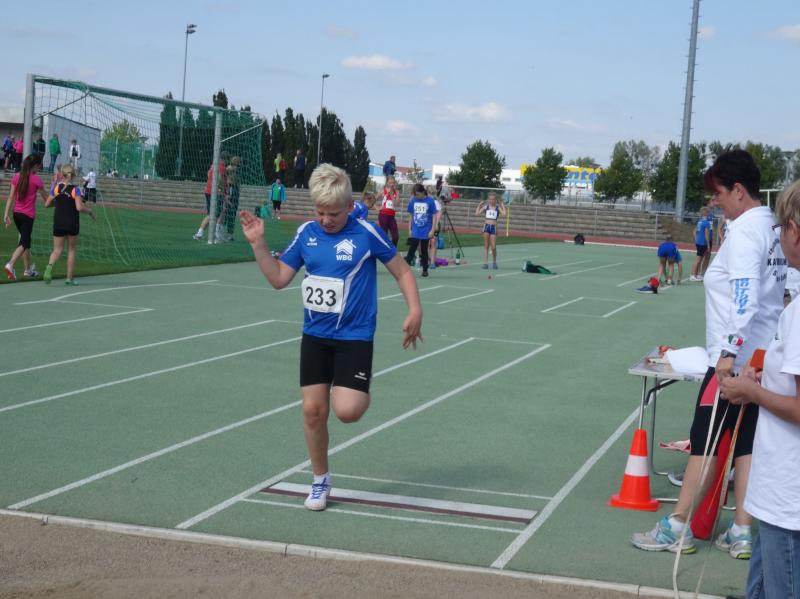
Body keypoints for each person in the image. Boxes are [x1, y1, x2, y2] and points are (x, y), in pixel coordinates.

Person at [238, 163, 423, 512]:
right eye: (320, 212)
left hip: (355, 336)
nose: (326, 220)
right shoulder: (306, 233)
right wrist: (259, 244)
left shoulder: (366, 233)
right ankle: (320, 479)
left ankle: (357, 383)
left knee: (347, 411)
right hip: (316, 336)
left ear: (350, 205)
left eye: (334, 214)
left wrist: (415, 310)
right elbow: (279, 279)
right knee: (312, 411)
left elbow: (402, 271)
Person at [631, 150, 787, 558]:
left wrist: (729, 354)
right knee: (747, 446)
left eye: (718, 193)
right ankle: (741, 531)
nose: (715, 201)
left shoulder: (746, 232)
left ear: (738, 190)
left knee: (705, 441)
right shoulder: (773, 227)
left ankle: (677, 526)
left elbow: (744, 299)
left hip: (734, 362)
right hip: (764, 359)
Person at [721, 179, 800, 598]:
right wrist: (764, 375)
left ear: (795, 232)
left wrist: (751, 392)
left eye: (782, 227)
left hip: (789, 498)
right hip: (780, 497)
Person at [43, 164, 96, 285]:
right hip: (72, 223)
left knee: (57, 250)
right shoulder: (75, 190)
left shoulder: (56, 188)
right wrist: (90, 212)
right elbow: (79, 207)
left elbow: (47, 204)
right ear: (73, 175)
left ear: (62, 174)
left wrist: (57, 203)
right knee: (71, 250)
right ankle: (69, 278)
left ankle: (49, 267)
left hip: (58, 222)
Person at [3, 154, 48, 280]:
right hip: (27, 216)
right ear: (35, 166)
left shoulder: (16, 177)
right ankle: (10, 264)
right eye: (39, 166)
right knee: (24, 242)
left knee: (26, 241)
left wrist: (6, 214)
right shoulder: (36, 180)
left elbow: (11, 197)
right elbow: (46, 199)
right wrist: (58, 201)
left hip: (16, 214)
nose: (39, 169)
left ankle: (27, 270)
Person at [404, 183, 438, 277]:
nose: (416, 196)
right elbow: (411, 215)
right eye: (415, 195)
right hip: (416, 228)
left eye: (418, 194)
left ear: (423, 192)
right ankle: (405, 267)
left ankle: (425, 269)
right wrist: (410, 229)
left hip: (426, 229)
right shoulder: (413, 200)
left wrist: (432, 230)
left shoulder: (430, 201)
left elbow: (434, 215)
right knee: (412, 247)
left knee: (424, 249)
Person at [193, 153, 229, 241]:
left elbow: (208, 174)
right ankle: (211, 234)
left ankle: (201, 233)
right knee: (214, 214)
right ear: (225, 159)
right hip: (215, 193)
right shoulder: (221, 167)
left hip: (209, 191)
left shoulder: (213, 165)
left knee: (214, 214)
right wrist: (221, 189)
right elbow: (220, 178)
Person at [475, 192, 507, 269]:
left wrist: (502, 205)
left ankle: (494, 262)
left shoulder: (497, 208)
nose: (491, 201)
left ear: (495, 200)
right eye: (490, 199)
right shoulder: (486, 207)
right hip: (486, 227)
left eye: (493, 199)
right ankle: (485, 263)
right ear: (488, 200)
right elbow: (477, 213)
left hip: (493, 228)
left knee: (493, 247)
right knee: (486, 246)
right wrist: (479, 205)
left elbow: (504, 214)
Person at [689, 206, 713, 281]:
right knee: (698, 259)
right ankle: (693, 275)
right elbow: (706, 233)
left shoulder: (700, 222)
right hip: (703, 243)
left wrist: (696, 239)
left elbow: (694, 231)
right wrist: (708, 245)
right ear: (706, 213)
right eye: (708, 212)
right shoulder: (706, 223)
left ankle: (696, 274)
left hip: (699, 242)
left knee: (700, 258)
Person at [222, 156, 241, 241]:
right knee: (227, 213)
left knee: (232, 214)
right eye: (238, 162)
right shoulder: (229, 168)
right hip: (230, 189)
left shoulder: (237, 170)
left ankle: (230, 234)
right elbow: (227, 172)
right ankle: (222, 232)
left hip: (235, 190)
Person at [378, 176, 399, 246]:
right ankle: (384, 250)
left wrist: (391, 195)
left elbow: (396, 204)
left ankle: (393, 249)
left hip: (391, 216)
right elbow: (372, 199)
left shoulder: (396, 192)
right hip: (383, 215)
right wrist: (377, 208)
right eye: (390, 183)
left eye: (393, 183)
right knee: (384, 236)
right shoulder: (383, 191)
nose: (392, 184)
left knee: (395, 237)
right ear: (387, 183)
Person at [428, 194, 443, 268]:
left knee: (433, 242)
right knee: (426, 243)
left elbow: (439, 212)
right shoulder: (424, 201)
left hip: (434, 224)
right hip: (427, 224)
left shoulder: (435, 202)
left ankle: (432, 262)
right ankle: (427, 259)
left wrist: (436, 223)